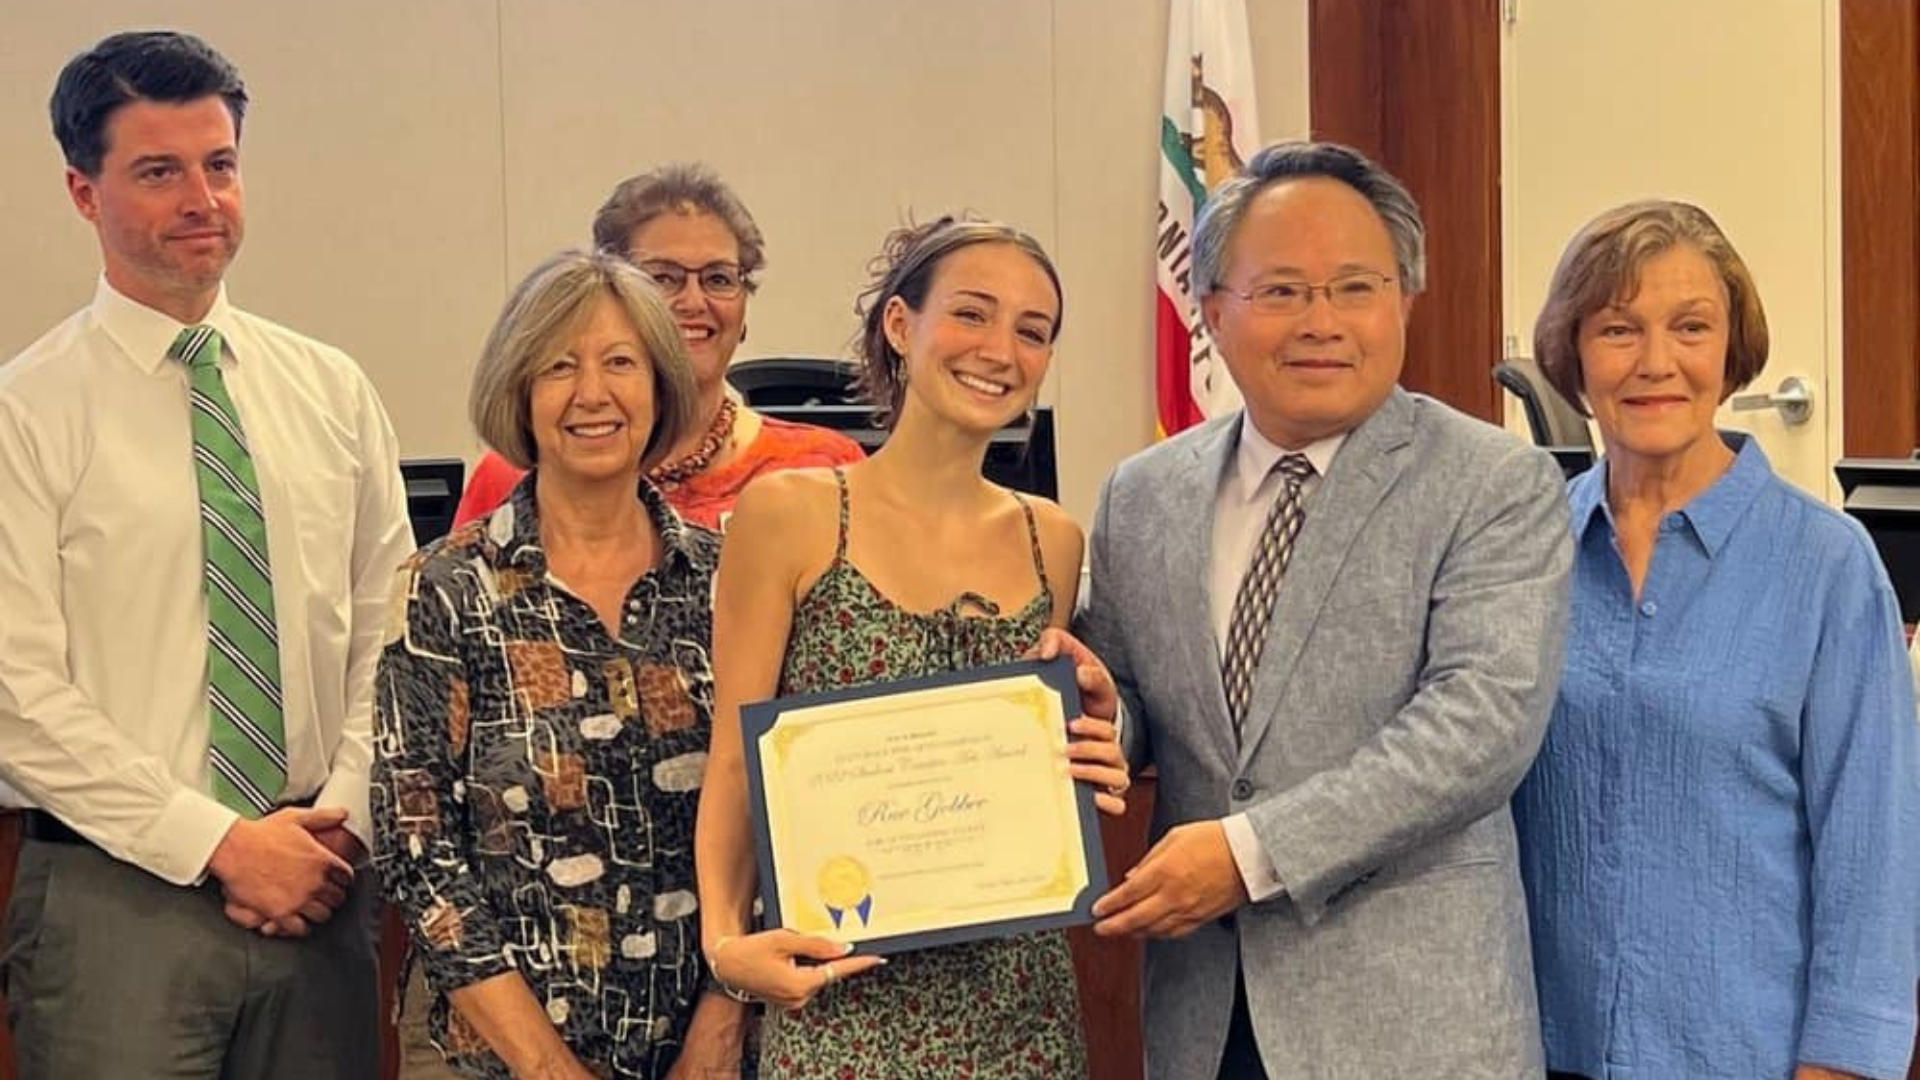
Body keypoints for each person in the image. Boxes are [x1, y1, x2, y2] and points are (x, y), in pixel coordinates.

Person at [1075, 140, 1573, 1080]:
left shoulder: (1493, 481)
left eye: (1355, 287)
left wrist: (1251, 852)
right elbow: (1139, 699)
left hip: (1410, 1018)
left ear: (1405, 301)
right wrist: (1111, 718)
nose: (1322, 322)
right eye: (1281, 292)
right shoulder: (1142, 494)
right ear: (1212, 310)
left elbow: (1480, 729)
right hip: (1203, 1009)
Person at [0, 30, 414, 1079]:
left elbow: (392, 631)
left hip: (321, 886)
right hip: (116, 902)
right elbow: (14, 693)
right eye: (158, 171)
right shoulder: (25, 413)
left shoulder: (331, 389)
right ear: (83, 193)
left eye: (219, 164)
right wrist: (222, 844)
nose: (202, 197)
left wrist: (346, 821)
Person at [693, 217, 1131, 1079]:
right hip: (841, 998)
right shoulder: (791, 513)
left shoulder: (1055, 539)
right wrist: (723, 942)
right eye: (971, 314)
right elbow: (738, 762)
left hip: (1020, 1004)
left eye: (1032, 331)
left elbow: (1051, 756)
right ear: (901, 327)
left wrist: (1094, 735)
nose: (999, 349)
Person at [1513, 200, 1919, 1080]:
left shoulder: (1826, 564)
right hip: (1537, 1049)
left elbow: (1875, 855)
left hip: (1746, 1057)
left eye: (1690, 327)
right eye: (1618, 329)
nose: (1656, 363)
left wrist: (1842, 1065)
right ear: (1572, 356)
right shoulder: (1522, 549)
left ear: (1732, 352)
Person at [372, 249, 747, 1079]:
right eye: (559, 367)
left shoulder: (730, 584)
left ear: (660, 386)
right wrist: (548, 1069)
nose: (592, 394)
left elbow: (773, 819)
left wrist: (724, 1027)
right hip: (493, 1057)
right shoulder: (447, 590)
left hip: (704, 1052)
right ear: (520, 393)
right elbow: (415, 847)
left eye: (620, 363)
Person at [453, 163, 865, 531]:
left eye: (718, 279)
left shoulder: (822, 468)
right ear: (613, 293)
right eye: (664, 278)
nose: (693, 302)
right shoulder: (517, 473)